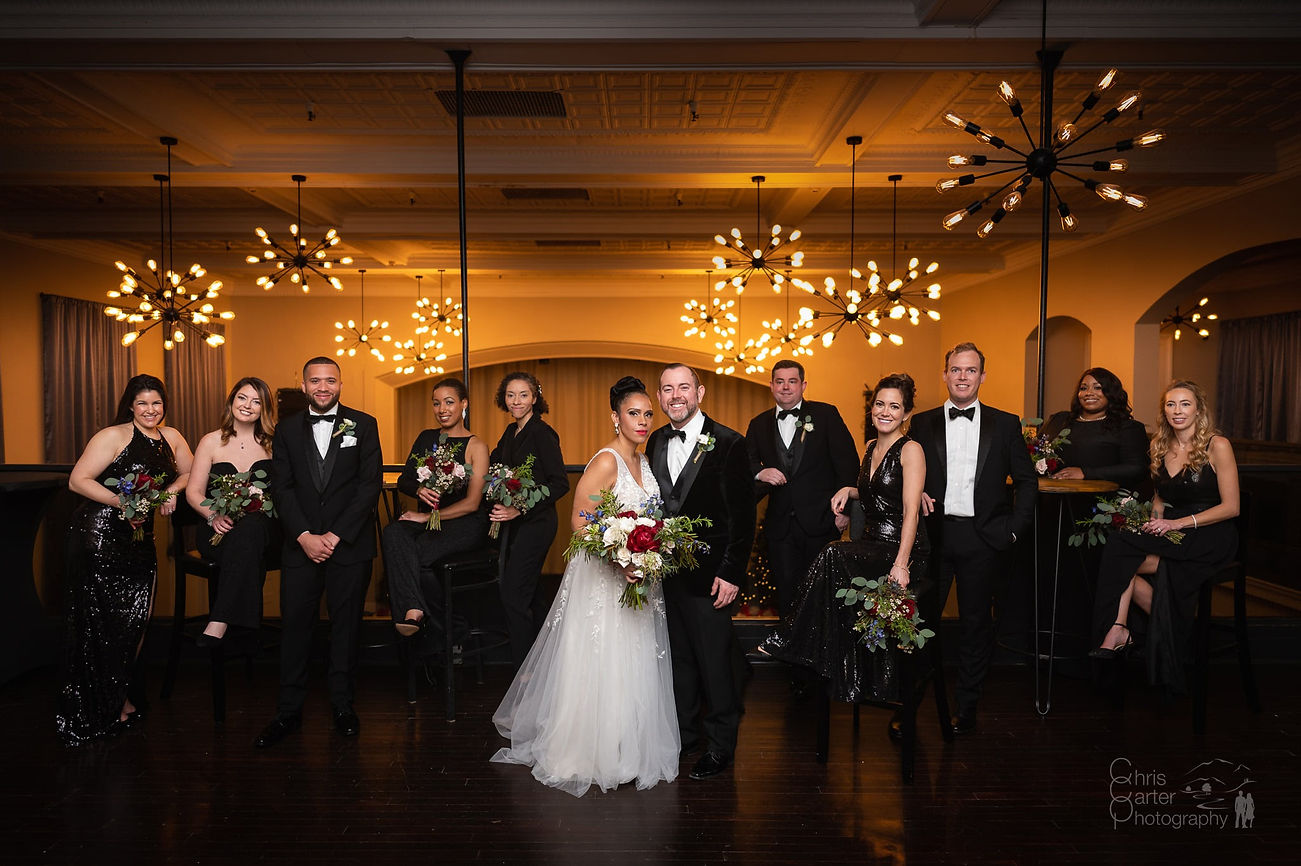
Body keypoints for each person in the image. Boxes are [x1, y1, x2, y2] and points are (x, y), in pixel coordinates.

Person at [492, 377, 679, 796]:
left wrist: (647, 553)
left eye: (648, 414)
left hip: (638, 580)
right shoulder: (607, 461)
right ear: (615, 417)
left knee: (632, 661)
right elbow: (580, 523)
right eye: (634, 413)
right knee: (603, 661)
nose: (643, 420)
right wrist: (621, 558)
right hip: (604, 581)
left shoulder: (644, 463)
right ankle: (591, 751)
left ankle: (626, 750)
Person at [756, 373, 928, 707]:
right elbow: (872, 493)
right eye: (880, 404)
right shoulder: (869, 447)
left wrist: (901, 564)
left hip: (900, 550)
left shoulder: (911, 449)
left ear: (906, 413)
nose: (885, 411)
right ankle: (834, 668)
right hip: (872, 544)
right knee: (833, 569)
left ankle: (795, 641)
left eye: (895, 406)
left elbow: (911, 512)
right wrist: (848, 490)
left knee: (832, 553)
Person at [57, 374, 193, 744]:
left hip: (139, 539)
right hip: (98, 536)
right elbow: (78, 480)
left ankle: (120, 696)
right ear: (131, 406)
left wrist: (170, 492)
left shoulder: (173, 437)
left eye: (157, 403)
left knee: (138, 620)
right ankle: (108, 706)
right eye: (143, 404)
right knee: (103, 623)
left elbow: (190, 473)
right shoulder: (113, 436)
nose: (151, 410)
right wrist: (124, 503)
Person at [255, 357, 381, 748]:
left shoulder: (364, 424)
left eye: (330, 380)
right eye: (315, 380)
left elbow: (369, 485)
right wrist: (306, 535)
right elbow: (283, 487)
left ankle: (343, 705)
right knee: (295, 627)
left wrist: (336, 535)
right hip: (301, 546)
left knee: (346, 629)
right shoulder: (288, 429)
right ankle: (288, 711)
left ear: (341, 384)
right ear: (304, 384)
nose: (322, 387)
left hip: (350, 546)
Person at [911, 342, 1036, 736]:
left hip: (983, 539)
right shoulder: (922, 423)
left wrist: (1013, 528)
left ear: (982, 376)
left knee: (975, 625)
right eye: (955, 369)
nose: (962, 376)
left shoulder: (1005, 423)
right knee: (916, 624)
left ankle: (966, 707)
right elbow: (906, 475)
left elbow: (1028, 481)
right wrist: (917, 495)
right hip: (934, 536)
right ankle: (910, 707)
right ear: (944, 375)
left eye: (970, 370)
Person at [1091, 380, 1239, 694]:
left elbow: (1232, 507)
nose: (1177, 411)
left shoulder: (1217, 444)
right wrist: (1154, 519)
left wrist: (1178, 524)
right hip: (1174, 529)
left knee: (1121, 557)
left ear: (1198, 408)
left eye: (1185, 404)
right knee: (1119, 543)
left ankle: (1133, 631)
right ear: (1164, 411)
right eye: (1170, 405)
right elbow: (1160, 496)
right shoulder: (1160, 444)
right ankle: (1119, 629)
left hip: (1209, 533)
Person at [647, 363, 756, 780]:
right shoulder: (655, 439)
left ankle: (720, 745)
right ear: (660, 397)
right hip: (664, 576)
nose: (676, 396)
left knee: (715, 666)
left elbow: (743, 518)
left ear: (700, 392)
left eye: (684, 388)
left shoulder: (730, 443)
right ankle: (686, 736)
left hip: (712, 577)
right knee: (679, 663)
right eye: (668, 389)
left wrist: (731, 573)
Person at [744, 359, 859, 619]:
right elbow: (745, 463)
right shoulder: (758, 424)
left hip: (821, 520)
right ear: (771, 385)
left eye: (792, 381)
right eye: (780, 381)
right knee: (787, 595)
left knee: (824, 594)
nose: (785, 387)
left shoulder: (826, 414)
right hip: (780, 526)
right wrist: (761, 471)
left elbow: (848, 463)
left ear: (803, 385)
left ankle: (820, 655)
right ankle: (790, 653)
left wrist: (846, 512)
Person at [382, 377, 489, 638]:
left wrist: (426, 516)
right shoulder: (426, 438)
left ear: (464, 404)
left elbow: (473, 503)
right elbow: (406, 479)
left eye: (449, 402)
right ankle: (414, 609)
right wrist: (419, 489)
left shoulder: (477, 447)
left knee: (410, 554)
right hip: (429, 524)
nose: (442, 409)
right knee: (393, 533)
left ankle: (444, 629)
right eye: (436, 403)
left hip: (464, 524)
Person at [184, 377, 280, 649]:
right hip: (217, 530)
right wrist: (213, 515)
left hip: (263, 531)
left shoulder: (274, 443)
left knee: (251, 529)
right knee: (245, 543)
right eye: (242, 398)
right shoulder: (211, 441)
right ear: (232, 401)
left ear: (264, 409)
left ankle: (220, 620)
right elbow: (193, 492)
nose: (247, 405)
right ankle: (247, 631)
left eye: (256, 401)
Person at [487, 372, 570, 670]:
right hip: (515, 525)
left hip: (537, 524)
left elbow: (560, 483)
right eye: (511, 395)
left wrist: (518, 509)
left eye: (523, 395)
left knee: (513, 596)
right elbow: (495, 470)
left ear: (535, 398)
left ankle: (524, 672)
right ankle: (547, 664)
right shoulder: (510, 433)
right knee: (530, 595)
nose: (517, 401)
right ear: (504, 399)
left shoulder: (542, 433)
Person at [1040, 367, 1148, 489]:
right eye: (1083, 388)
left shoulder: (1128, 427)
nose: (1089, 393)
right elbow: (1035, 452)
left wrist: (1085, 473)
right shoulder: (1059, 420)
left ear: (1111, 393)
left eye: (1097, 387)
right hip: (1051, 495)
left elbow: (1136, 469)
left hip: (1101, 500)